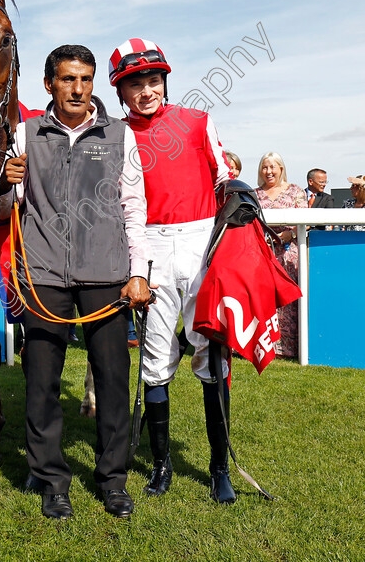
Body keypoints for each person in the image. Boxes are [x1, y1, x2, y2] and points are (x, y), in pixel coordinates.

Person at [0, 44, 151, 519]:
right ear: (49, 85)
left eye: (85, 79)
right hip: (42, 276)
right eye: (67, 79)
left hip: (106, 275)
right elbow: (4, 211)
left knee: (112, 382)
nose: (77, 89)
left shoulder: (120, 136)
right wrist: (5, 181)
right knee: (41, 383)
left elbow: (134, 208)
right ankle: (51, 479)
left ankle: (113, 479)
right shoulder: (24, 134)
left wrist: (138, 272)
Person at [108, 38, 235, 504]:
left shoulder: (198, 121)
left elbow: (224, 179)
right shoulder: (117, 135)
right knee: (156, 361)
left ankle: (219, 467)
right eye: (134, 83)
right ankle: (161, 466)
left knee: (211, 357)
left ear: (165, 80)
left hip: (202, 245)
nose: (146, 90)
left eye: (153, 80)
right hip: (152, 249)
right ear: (121, 92)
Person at [254, 152, 306, 358]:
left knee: (288, 300)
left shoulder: (295, 191)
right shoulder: (255, 194)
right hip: (262, 253)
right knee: (264, 299)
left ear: (281, 169)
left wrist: (289, 234)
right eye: (265, 167)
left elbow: (306, 221)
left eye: (273, 167)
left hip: (288, 254)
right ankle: (265, 347)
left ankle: (289, 348)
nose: (269, 172)